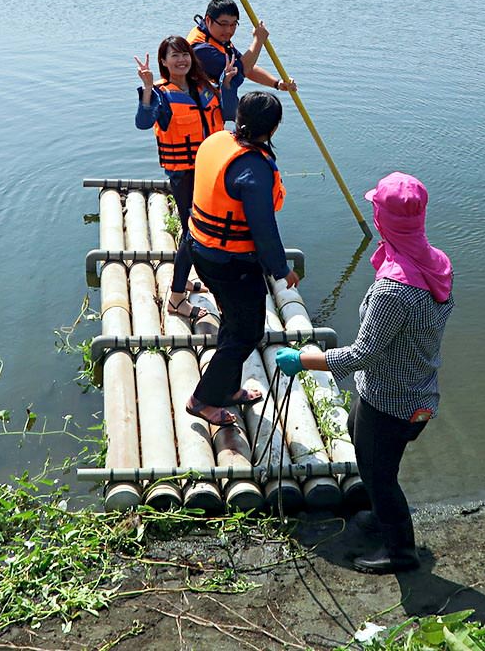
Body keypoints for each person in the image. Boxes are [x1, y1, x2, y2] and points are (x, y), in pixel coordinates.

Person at [275, 172, 453, 575]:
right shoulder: (435, 263)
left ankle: (401, 553)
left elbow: (362, 354)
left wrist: (302, 359)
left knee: (381, 477)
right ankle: (378, 514)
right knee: (366, 450)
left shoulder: (394, 289)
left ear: (383, 221)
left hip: (391, 403)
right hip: (414, 389)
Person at [184, 91, 297, 426]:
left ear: (239, 117)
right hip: (230, 262)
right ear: (273, 128)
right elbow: (263, 227)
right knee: (247, 332)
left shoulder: (218, 140)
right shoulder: (252, 167)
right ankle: (202, 400)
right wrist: (281, 270)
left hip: (201, 249)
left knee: (233, 322)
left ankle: (228, 389)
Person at [133, 36, 234, 321]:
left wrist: (227, 84)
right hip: (185, 175)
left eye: (185, 54)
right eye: (174, 56)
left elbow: (229, 113)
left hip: (211, 168)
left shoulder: (205, 88)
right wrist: (149, 87)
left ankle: (184, 280)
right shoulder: (162, 95)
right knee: (195, 233)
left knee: (195, 230)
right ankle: (176, 298)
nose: (181, 60)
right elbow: (142, 123)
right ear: (164, 62)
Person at [187, 0, 295, 124]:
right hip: (196, 115)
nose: (229, 30)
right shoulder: (201, 49)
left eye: (233, 24)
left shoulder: (217, 38)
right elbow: (241, 70)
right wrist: (258, 40)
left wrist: (277, 83)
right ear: (208, 20)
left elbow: (246, 66)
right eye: (223, 24)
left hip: (211, 113)